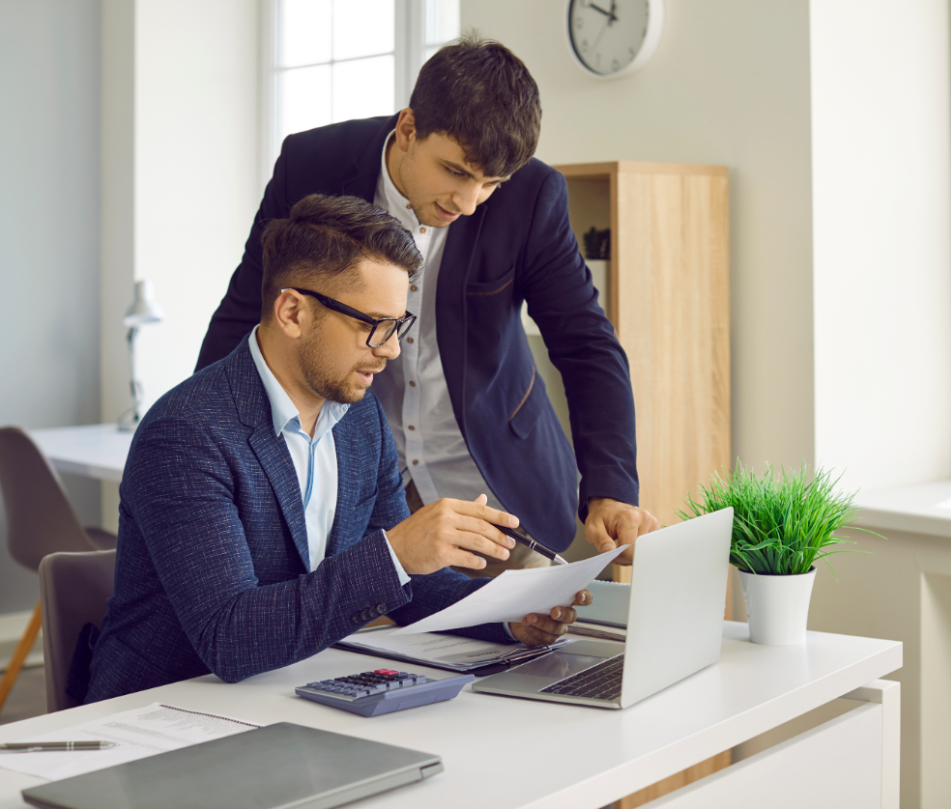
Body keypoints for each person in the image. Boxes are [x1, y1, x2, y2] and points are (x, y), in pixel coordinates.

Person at [81, 195, 587, 704]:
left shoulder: (358, 418)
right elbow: (230, 638)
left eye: (397, 325)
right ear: (293, 312)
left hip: (287, 693)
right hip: (163, 711)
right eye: (374, 325)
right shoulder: (187, 433)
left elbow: (410, 589)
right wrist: (396, 553)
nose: (390, 349)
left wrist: (511, 615)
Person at [195, 35, 658, 574]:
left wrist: (611, 486)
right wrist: (200, 440)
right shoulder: (311, 165)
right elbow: (247, 309)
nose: (468, 203)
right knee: (356, 648)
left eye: (490, 184)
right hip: (356, 488)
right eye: (457, 172)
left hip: (493, 494)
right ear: (409, 129)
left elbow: (586, 344)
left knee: (523, 640)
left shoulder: (534, 197)